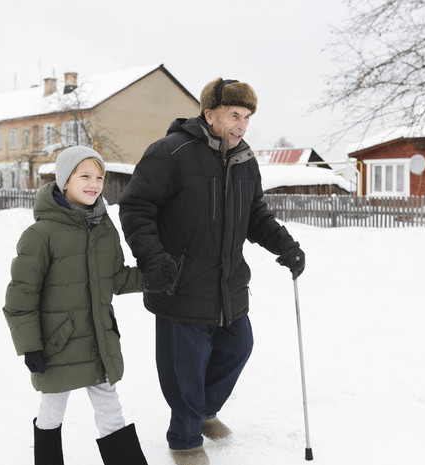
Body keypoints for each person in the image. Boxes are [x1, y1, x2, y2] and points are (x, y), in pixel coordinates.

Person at [118, 77, 305, 465]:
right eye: (234, 115)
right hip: (179, 282)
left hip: (228, 283)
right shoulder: (171, 152)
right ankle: (184, 440)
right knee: (184, 367)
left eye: (247, 117)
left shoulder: (245, 160)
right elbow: (136, 209)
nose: (241, 124)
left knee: (238, 346)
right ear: (209, 114)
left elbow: (255, 214)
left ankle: (203, 411)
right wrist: (153, 259)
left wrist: (284, 244)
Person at [3, 146, 149, 465]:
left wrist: (152, 277)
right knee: (52, 412)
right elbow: (20, 296)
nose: (94, 183)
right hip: (58, 346)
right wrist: (30, 346)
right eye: (85, 175)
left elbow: (115, 278)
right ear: (64, 180)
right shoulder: (40, 235)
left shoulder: (104, 228)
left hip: (98, 341)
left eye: (99, 177)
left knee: (111, 412)